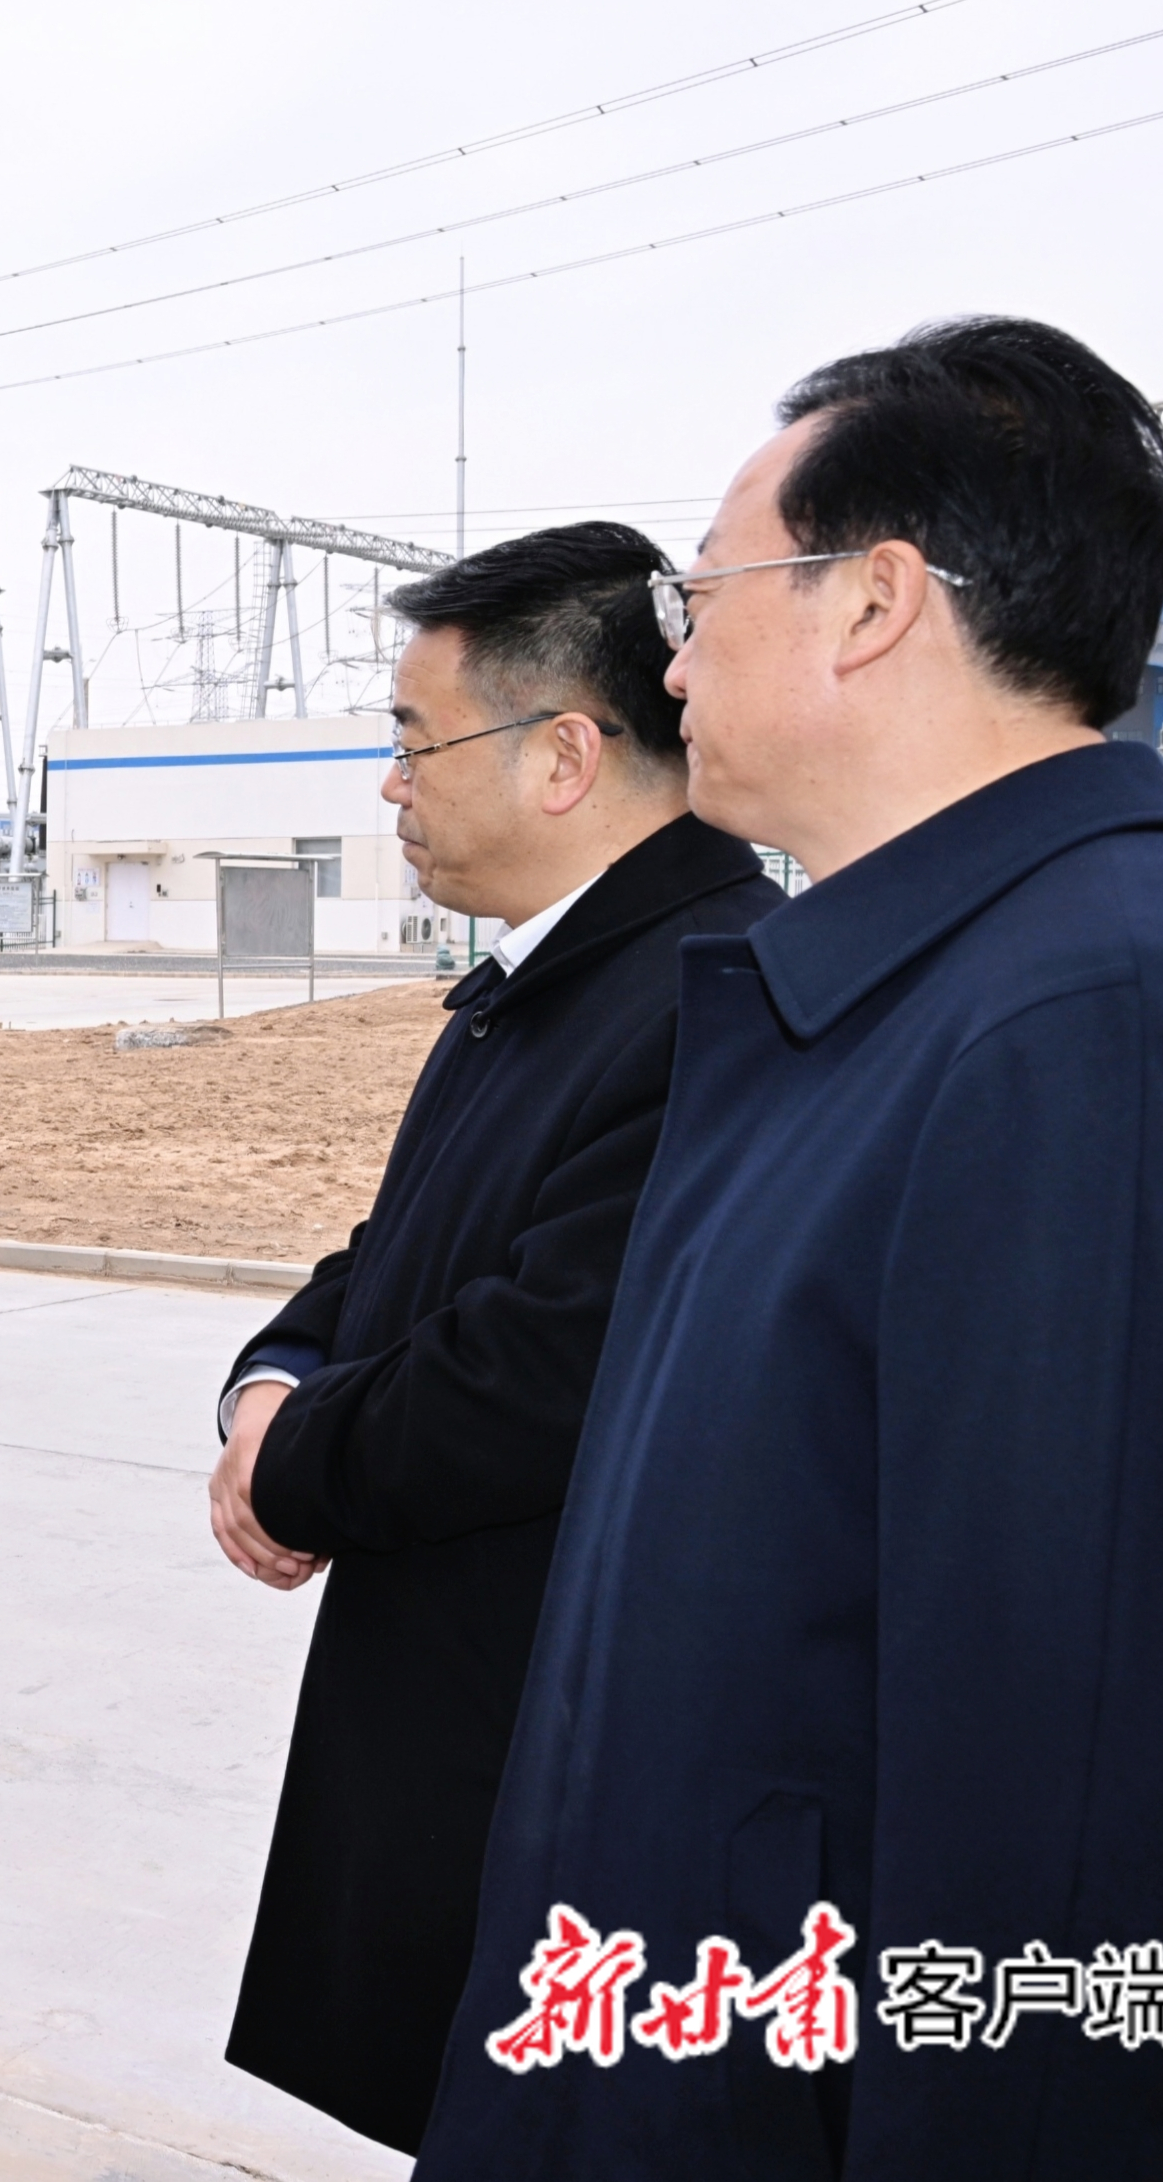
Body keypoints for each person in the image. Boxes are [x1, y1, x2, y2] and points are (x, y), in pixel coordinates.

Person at [413, 318, 1163, 2175]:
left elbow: (1079, 1818)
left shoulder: (1090, 1026)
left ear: (873, 603)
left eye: (701, 596)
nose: (671, 660)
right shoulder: (901, 992)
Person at [205, 523, 783, 2151]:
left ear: (562, 756)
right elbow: (392, 1251)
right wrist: (273, 1377)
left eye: (414, 738)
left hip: (555, 1743)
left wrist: (291, 1464)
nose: (390, 784)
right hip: (458, 1702)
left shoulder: (707, 995)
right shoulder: (546, 982)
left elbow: (540, 1367)